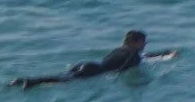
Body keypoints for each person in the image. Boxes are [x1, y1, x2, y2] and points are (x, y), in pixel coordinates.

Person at [10, 29, 175, 88]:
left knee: (64, 77)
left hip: (89, 64)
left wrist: (166, 54)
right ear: (135, 42)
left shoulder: (120, 49)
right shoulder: (133, 56)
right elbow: (123, 69)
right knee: (64, 81)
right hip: (95, 70)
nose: (145, 44)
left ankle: (25, 81)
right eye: (142, 42)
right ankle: (31, 82)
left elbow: (145, 55)